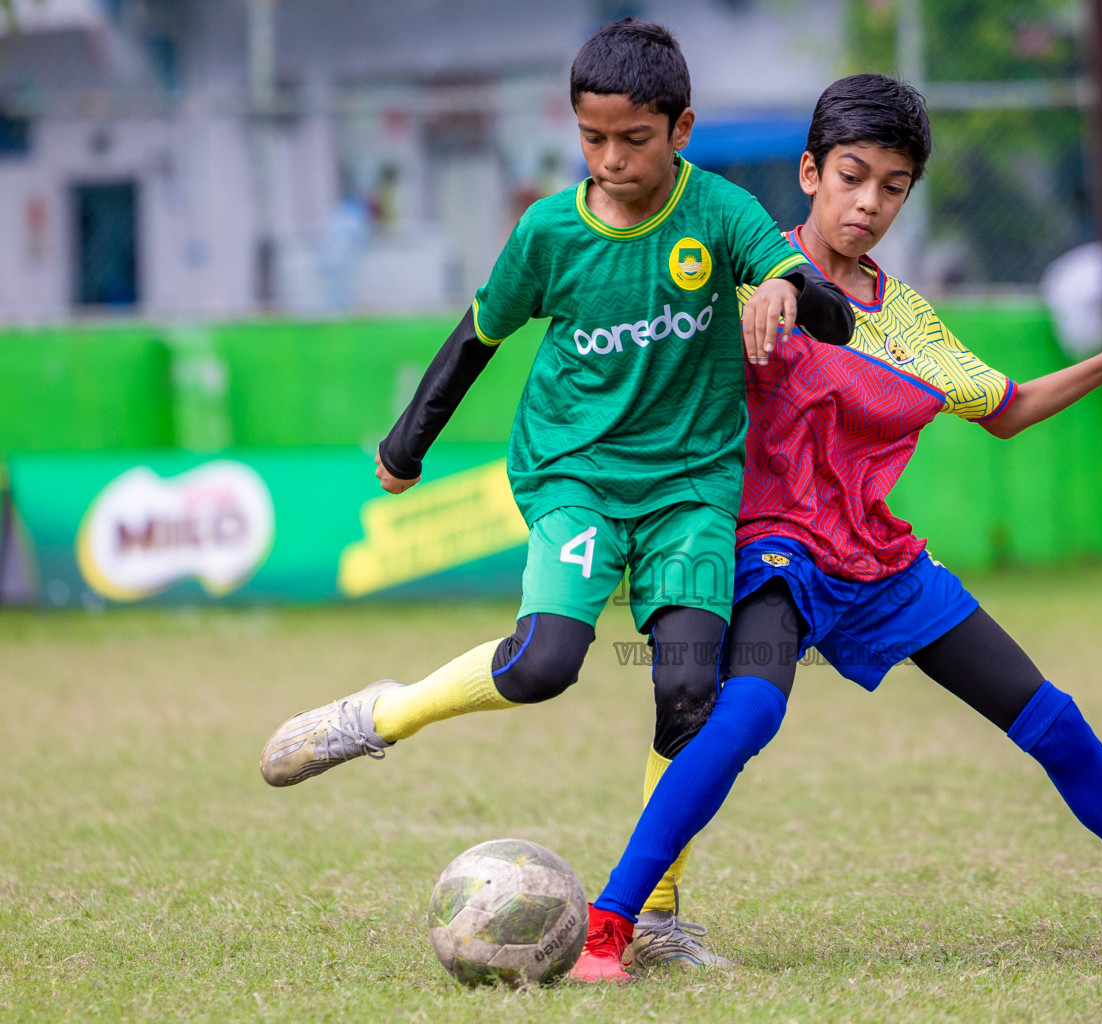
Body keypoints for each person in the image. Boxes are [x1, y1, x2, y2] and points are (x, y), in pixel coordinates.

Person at [570, 74, 1102, 985]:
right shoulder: (737, 260)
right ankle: (607, 928)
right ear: (810, 172)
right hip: (760, 541)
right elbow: (643, 353)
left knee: (1054, 721)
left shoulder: (905, 319)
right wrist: (740, 316)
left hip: (873, 557)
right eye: (852, 176)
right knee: (750, 712)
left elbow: (1005, 407)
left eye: (893, 186)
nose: (869, 203)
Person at [257, 18, 853, 968]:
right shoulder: (548, 231)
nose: (611, 160)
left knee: (692, 692)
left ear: (682, 129)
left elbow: (830, 314)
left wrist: (789, 291)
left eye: (634, 139)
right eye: (592, 138)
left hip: (693, 487)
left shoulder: (725, 213)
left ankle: (655, 916)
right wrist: (409, 444)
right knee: (544, 666)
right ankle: (381, 714)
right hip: (574, 474)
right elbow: (477, 336)